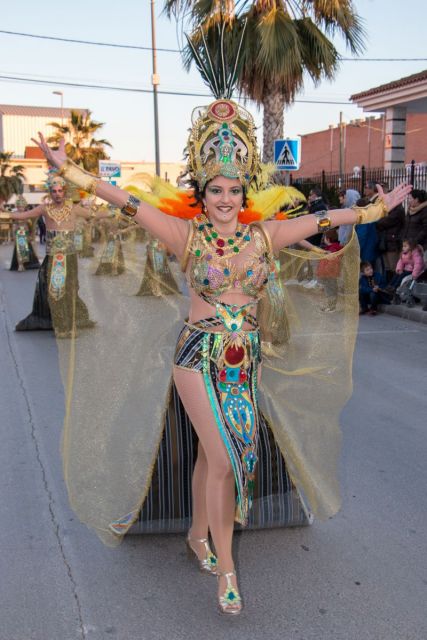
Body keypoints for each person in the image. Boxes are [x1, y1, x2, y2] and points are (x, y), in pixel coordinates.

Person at [34, 93, 410, 614]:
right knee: (226, 461)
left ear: (243, 191)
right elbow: (125, 201)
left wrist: (375, 209)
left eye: (235, 189)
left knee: (213, 456)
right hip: (196, 357)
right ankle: (228, 572)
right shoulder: (184, 236)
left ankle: (196, 535)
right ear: (203, 193)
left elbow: (327, 221)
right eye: (216, 190)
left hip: (245, 356)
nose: (227, 199)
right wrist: (71, 171)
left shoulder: (266, 235)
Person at [12, 174, 105, 337]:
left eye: (60, 190)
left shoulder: (73, 208)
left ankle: (67, 324)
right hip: (54, 258)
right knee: (56, 290)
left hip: (69, 258)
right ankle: (62, 328)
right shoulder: (44, 208)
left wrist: (125, 211)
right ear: (50, 192)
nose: (57, 194)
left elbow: (94, 215)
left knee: (70, 291)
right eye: (54, 191)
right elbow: (22, 216)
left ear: (65, 191)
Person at [376, 183, 405, 282]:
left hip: (393, 243)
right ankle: (389, 286)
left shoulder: (398, 210)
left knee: (393, 267)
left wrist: (378, 218)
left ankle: (393, 288)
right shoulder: (388, 209)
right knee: (387, 267)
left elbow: (383, 222)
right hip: (386, 242)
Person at [10, 196, 40, 271]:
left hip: (25, 233)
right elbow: (13, 224)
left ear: (24, 206)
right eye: (19, 206)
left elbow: (30, 225)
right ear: (17, 206)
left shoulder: (27, 214)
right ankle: (20, 264)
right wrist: (13, 234)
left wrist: (31, 234)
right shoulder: (15, 214)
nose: (20, 208)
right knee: (19, 249)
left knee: (26, 248)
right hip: (18, 233)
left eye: (22, 206)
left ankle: (26, 264)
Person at [317, 229, 343, 312]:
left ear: (327, 239)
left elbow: (332, 262)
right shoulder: (332, 248)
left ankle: (331, 307)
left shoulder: (332, 249)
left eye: (324, 238)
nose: (324, 239)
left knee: (330, 291)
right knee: (330, 290)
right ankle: (330, 306)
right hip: (330, 274)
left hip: (329, 274)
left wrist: (324, 271)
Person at [403, 189, 427, 262]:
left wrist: (414, 242)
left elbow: (425, 229)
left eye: (410, 198)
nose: (408, 200)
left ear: (416, 199)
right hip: (408, 245)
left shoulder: (424, 211)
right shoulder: (410, 210)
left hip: (419, 245)